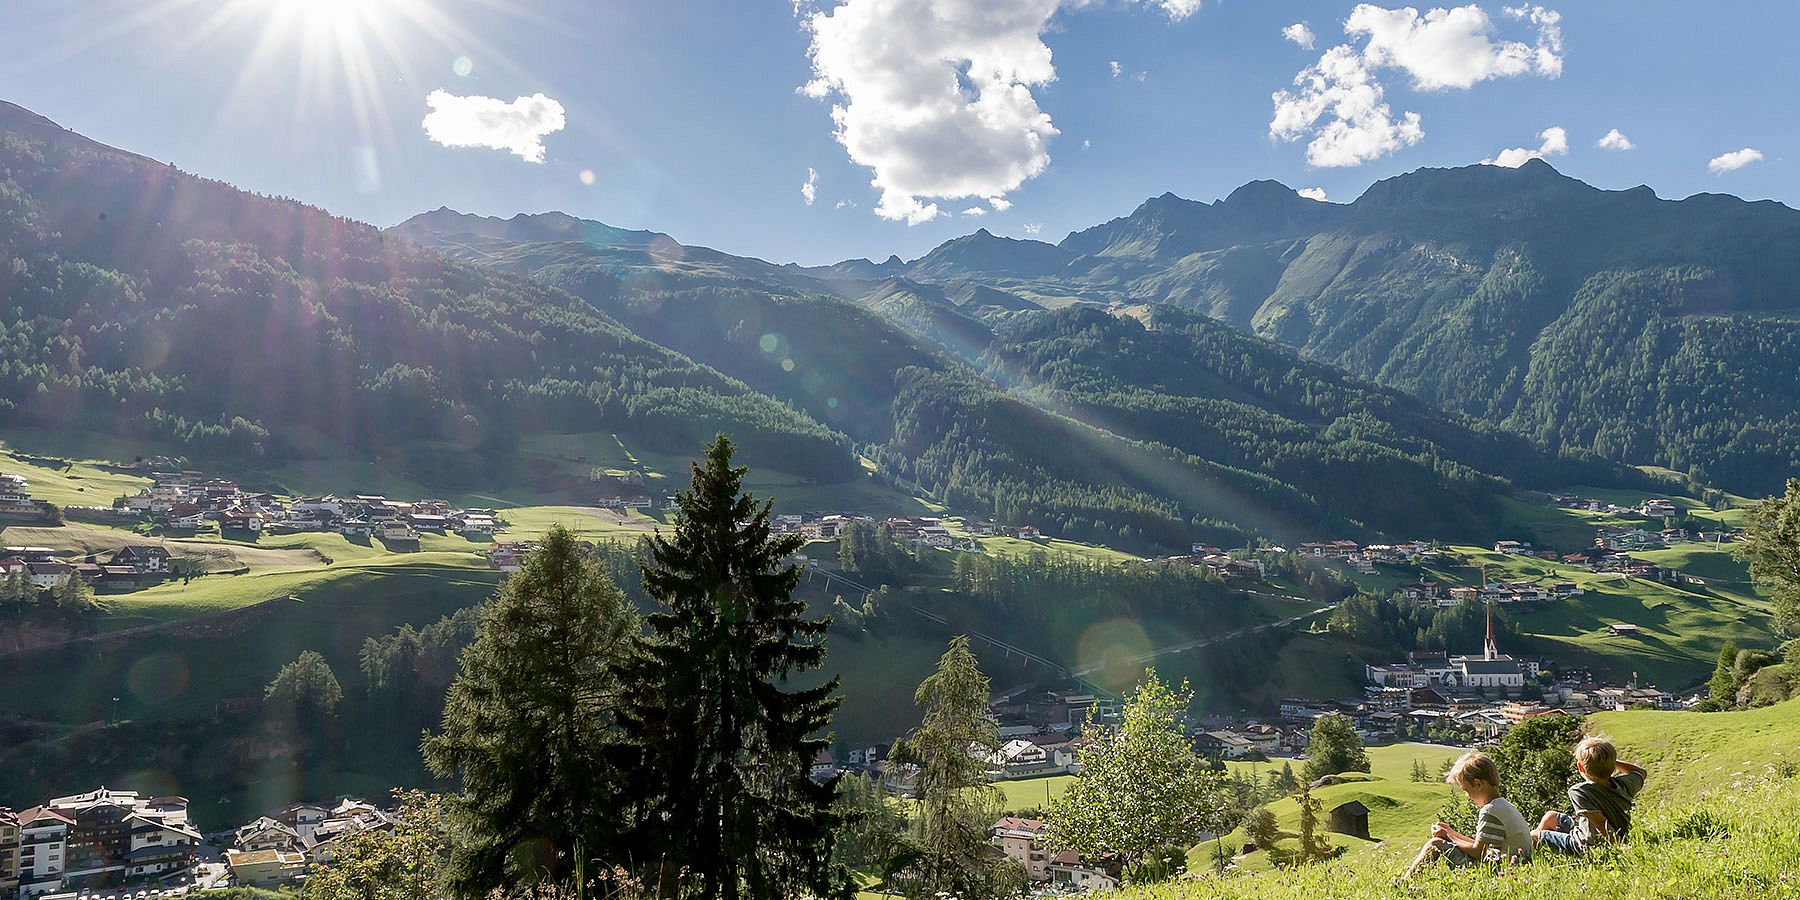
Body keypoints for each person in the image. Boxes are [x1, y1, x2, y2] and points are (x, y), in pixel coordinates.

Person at [1404, 750, 1533, 877]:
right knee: (1439, 840)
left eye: (1466, 790)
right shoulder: (1504, 806)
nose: (1467, 796)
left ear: (1478, 784)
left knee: (1435, 844)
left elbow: (1478, 852)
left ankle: (1405, 884)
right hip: (1517, 865)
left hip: (1498, 870)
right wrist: (1449, 832)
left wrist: (1447, 836)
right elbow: (1480, 845)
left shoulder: (1490, 811)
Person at [1533, 735, 1647, 855]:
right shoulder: (1624, 784)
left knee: (1533, 835)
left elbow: (1601, 824)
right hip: (1606, 832)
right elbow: (1640, 772)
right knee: (1550, 816)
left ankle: (1526, 859)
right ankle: (1541, 852)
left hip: (1588, 844)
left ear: (1580, 767)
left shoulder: (1579, 791)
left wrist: (1619, 849)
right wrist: (1609, 761)